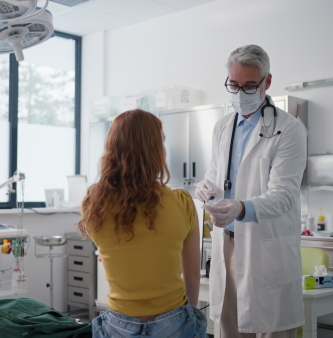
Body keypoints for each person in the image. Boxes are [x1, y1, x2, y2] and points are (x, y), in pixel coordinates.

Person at [196, 45, 307, 337]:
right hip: (227, 243)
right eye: (234, 85)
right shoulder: (222, 126)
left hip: (264, 245)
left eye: (248, 86)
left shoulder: (289, 129)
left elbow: (283, 195)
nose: (240, 93)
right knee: (231, 328)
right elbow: (217, 172)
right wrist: (206, 185)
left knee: (270, 328)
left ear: (267, 82)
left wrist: (240, 208)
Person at [77, 109, 207, 337]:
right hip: (174, 323)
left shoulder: (94, 204)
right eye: (162, 142)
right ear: (154, 150)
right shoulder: (182, 202)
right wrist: (190, 318)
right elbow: (193, 275)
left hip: (117, 325)